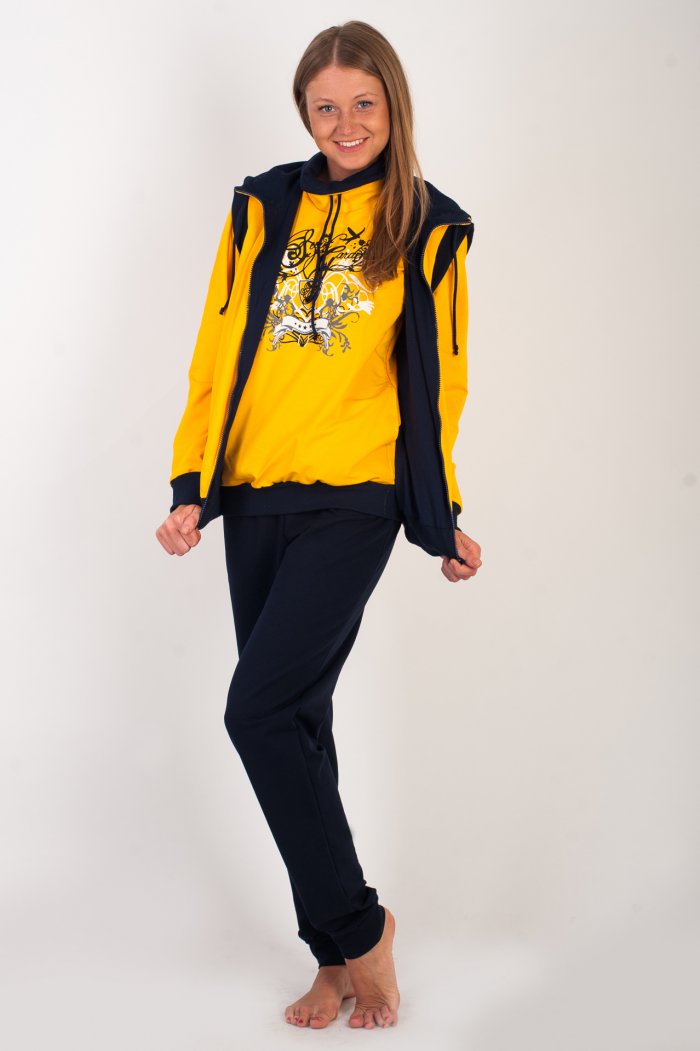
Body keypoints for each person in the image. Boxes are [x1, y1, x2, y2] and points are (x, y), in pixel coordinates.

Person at [155, 19, 483, 1030]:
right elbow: (218, 344)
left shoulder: (428, 225)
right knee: (295, 721)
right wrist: (193, 481)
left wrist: (439, 515)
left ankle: (361, 926)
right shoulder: (263, 205)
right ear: (305, 111)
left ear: (393, 106)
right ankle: (333, 957)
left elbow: (439, 381)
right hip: (255, 491)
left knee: (254, 712)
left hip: (353, 498)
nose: (345, 123)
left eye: (363, 103)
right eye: (325, 105)